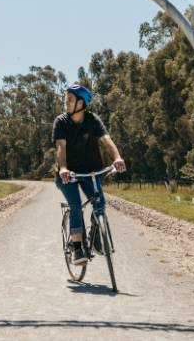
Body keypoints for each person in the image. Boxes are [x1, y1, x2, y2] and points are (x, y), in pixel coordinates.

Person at [52, 84, 126, 265]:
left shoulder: (92, 120)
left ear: (80, 103)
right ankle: (77, 247)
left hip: (90, 172)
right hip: (68, 174)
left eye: (70, 100)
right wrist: (63, 168)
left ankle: (97, 234)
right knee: (76, 205)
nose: (66, 103)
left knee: (100, 203)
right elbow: (61, 147)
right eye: (66, 99)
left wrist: (117, 158)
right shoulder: (61, 122)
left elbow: (106, 139)